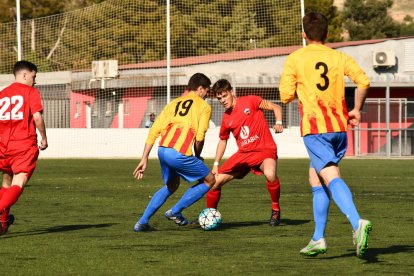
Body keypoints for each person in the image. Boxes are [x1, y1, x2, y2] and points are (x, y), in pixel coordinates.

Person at [279, 12, 372, 258]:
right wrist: (356, 110)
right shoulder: (338, 57)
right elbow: (363, 81)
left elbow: (285, 96)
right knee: (315, 177)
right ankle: (318, 238)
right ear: (327, 34)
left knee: (329, 176)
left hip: (316, 129)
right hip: (339, 129)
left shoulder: (296, 59)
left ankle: (356, 223)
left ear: (304, 35)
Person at [132, 73, 216, 232]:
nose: (206, 95)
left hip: (163, 150)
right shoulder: (204, 106)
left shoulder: (173, 103)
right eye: (206, 91)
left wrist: (144, 158)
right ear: (200, 89)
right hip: (178, 153)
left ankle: (142, 223)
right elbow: (200, 136)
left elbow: (154, 130)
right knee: (210, 180)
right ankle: (175, 212)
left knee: (172, 185)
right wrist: (197, 156)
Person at [203, 79, 284, 226]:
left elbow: (276, 107)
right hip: (244, 155)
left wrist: (278, 122)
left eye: (224, 96)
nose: (222, 100)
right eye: (219, 98)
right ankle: (210, 214)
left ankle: (276, 210)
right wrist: (215, 164)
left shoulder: (251, 101)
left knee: (270, 174)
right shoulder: (226, 118)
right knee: (213, 183)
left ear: (231, 93)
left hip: (265, 149)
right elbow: (223, 141)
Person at [0, 60, 48, 235]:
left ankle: (3, 223)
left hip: (3, 148)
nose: (34, 81)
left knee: (6, 184)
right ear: (25, 74)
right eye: (34, 77)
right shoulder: (30, 92)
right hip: (23, 146)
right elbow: (37, 117)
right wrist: (44, 137)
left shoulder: (2, 94)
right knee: (18, 184)